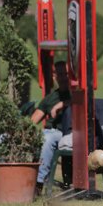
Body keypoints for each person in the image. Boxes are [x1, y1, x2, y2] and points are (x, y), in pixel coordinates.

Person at [31, 61, 71, 194]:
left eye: (66, 74)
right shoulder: (50, 98)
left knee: (46, 139)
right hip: (47, 131)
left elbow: (81, 101)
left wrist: (61, 104)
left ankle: (39, 183)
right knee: (39, 137)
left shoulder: (75, 93)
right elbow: (32, 121)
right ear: (55, 77)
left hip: (63, 132)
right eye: (60, 74)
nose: (64, 77)